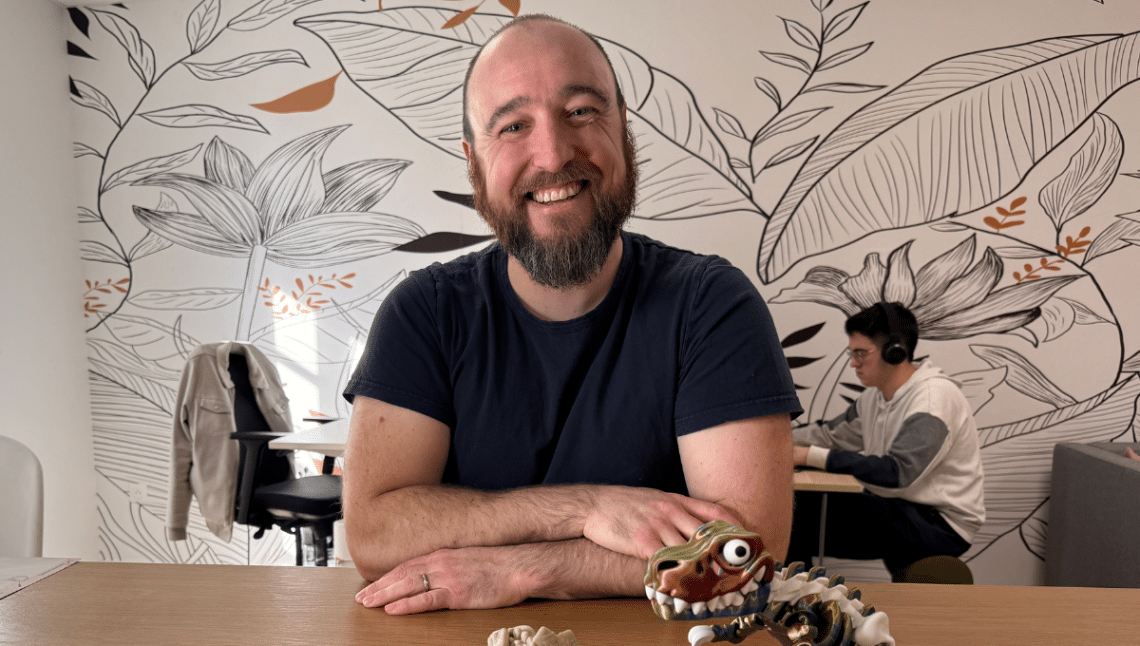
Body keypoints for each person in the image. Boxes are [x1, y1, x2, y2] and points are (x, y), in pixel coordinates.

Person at [341, 14, 802, 615]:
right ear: (473, 161)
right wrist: (586, 510)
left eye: (581, 111)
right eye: (513, 126)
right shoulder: (423, 312)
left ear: (623, 130)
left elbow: (745, 551)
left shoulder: (712, 304)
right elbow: (375, 535)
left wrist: (524, 567)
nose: (554, 153)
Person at [788, 302, 985, 575]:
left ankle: (799, 596)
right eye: (852, 353)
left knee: (794, 515)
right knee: (792, 507)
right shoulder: (874, 398)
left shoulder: (933, 399)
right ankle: (800, 594)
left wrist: (808, 456)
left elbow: (898, 472)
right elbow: (829, 435)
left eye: (860, 354)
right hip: (901, 507)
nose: (853, 363)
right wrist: (776, 441)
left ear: (895, 352)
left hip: (940, 524)